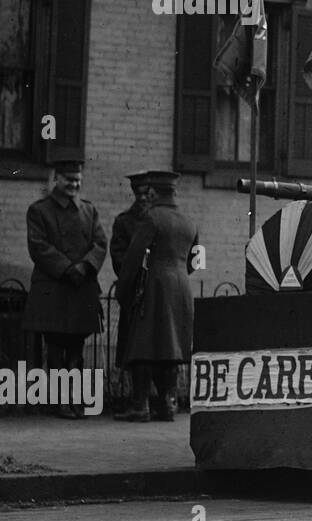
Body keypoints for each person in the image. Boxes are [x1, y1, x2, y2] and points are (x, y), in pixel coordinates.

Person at [21, 153, 107, 418]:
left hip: (81, 288)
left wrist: (85, 266)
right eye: (69, 179)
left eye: (78, 180)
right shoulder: (39, 210)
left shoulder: (89, 211)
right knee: (56, 347)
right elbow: (38, 247)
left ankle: (76, 399)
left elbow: (100, 243)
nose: (74, 184)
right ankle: (60, 401)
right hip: (54, 288)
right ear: (56, 179)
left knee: (77, 349)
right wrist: (68, 268)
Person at [115, 171, 199, 423]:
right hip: (181, 288)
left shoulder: (151, 218)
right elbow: (197, 261)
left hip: (154, 285)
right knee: (170, 346)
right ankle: (167, 405)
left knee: (142, 345)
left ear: (153, 192)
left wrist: (124, 290)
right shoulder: (189, 221)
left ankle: (140, 407)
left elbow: (133, 258)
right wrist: (180, 273)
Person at [110, 171, 153, 408]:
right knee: (133, 346)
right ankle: (134, 397)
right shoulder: (124, 222)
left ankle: (159, 397)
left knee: (158, 345)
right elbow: (117, 255)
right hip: (135, 291)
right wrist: (135, 271)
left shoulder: (160, 219)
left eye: (147, 193)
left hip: (157, 292)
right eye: (138, 193)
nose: (143, 197)